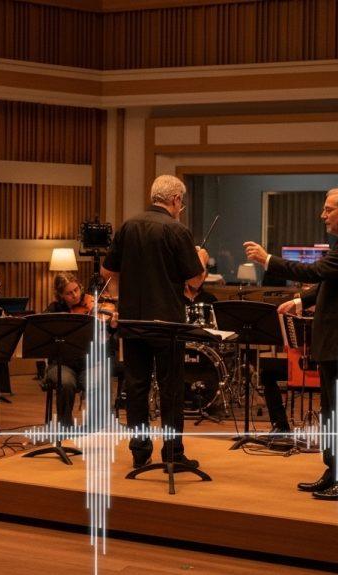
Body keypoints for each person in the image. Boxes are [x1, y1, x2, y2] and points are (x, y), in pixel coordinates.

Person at [244, 186, 338, 500]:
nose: (323, 215)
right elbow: (330, 282)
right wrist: (300, 301)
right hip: (337, 342)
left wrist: (268, 260)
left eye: (328, 209)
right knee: (332, 413)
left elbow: (318, 271)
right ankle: (333, 473)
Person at [102, 174, 208, 470]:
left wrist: (120, 299)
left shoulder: (128, 225)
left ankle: (139, 451)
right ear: (175, 200)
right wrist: (202, 258)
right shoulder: (177, 230)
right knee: (170, 388)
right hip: (167, 325)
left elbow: (107, 271)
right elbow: (194, 280)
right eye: (181, 203)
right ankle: (172, 453)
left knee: (136, 387)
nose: (180, 208)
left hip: (132, 321)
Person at [42, 272, 117, 427]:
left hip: (87, 364)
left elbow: (104, 337)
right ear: (60, 295)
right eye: (69, 293)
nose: (75, 295)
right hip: (61, 363)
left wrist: (111, 327)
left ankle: (97, 425)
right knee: (66, 383)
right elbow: (44, 332)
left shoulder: (92, 305)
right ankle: (65, 427)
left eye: (76, 290)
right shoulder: (54, 309)